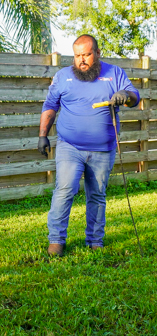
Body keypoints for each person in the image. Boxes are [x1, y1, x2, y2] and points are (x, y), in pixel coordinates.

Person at [37, 35, 140, 256]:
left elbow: (135, 97)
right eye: (77, 56)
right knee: (64, 191)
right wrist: (43, 135)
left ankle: (94, 240)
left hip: (103, 149)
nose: (81, 60)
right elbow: (50, 105)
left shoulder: (115, 73)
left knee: (97, 195)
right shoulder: (63, 76)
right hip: (69, 146)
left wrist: (125, 95)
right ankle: (56, 240)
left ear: (98, 53)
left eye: (86, 54)